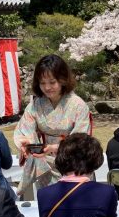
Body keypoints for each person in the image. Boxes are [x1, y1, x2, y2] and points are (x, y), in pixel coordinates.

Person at [14, 54, 91, 199]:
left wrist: (54, 148)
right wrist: (28, 144)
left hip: (73, 166)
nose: (47, 87)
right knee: (49, 209)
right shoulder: (36, 104)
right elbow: (25, 128)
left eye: (52, 82)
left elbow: (81, 140)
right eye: (42, 83)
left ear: (63, 80)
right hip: (45, 167)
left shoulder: (78, 105)